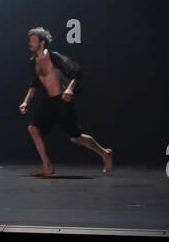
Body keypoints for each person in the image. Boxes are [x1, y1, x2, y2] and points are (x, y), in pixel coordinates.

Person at [19, 26, 113, 177]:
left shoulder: (54, 57)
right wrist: (26, 102)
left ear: (42, 43)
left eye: (33, 40)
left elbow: (77, 71)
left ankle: (104, 152)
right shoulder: (33, 62)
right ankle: (47, 166)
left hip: (62, 101)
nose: (30, 43)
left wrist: (69, 89)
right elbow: (34, 85)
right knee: (33, 128)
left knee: (75, 138)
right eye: (30, 40)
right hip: (47, 102)